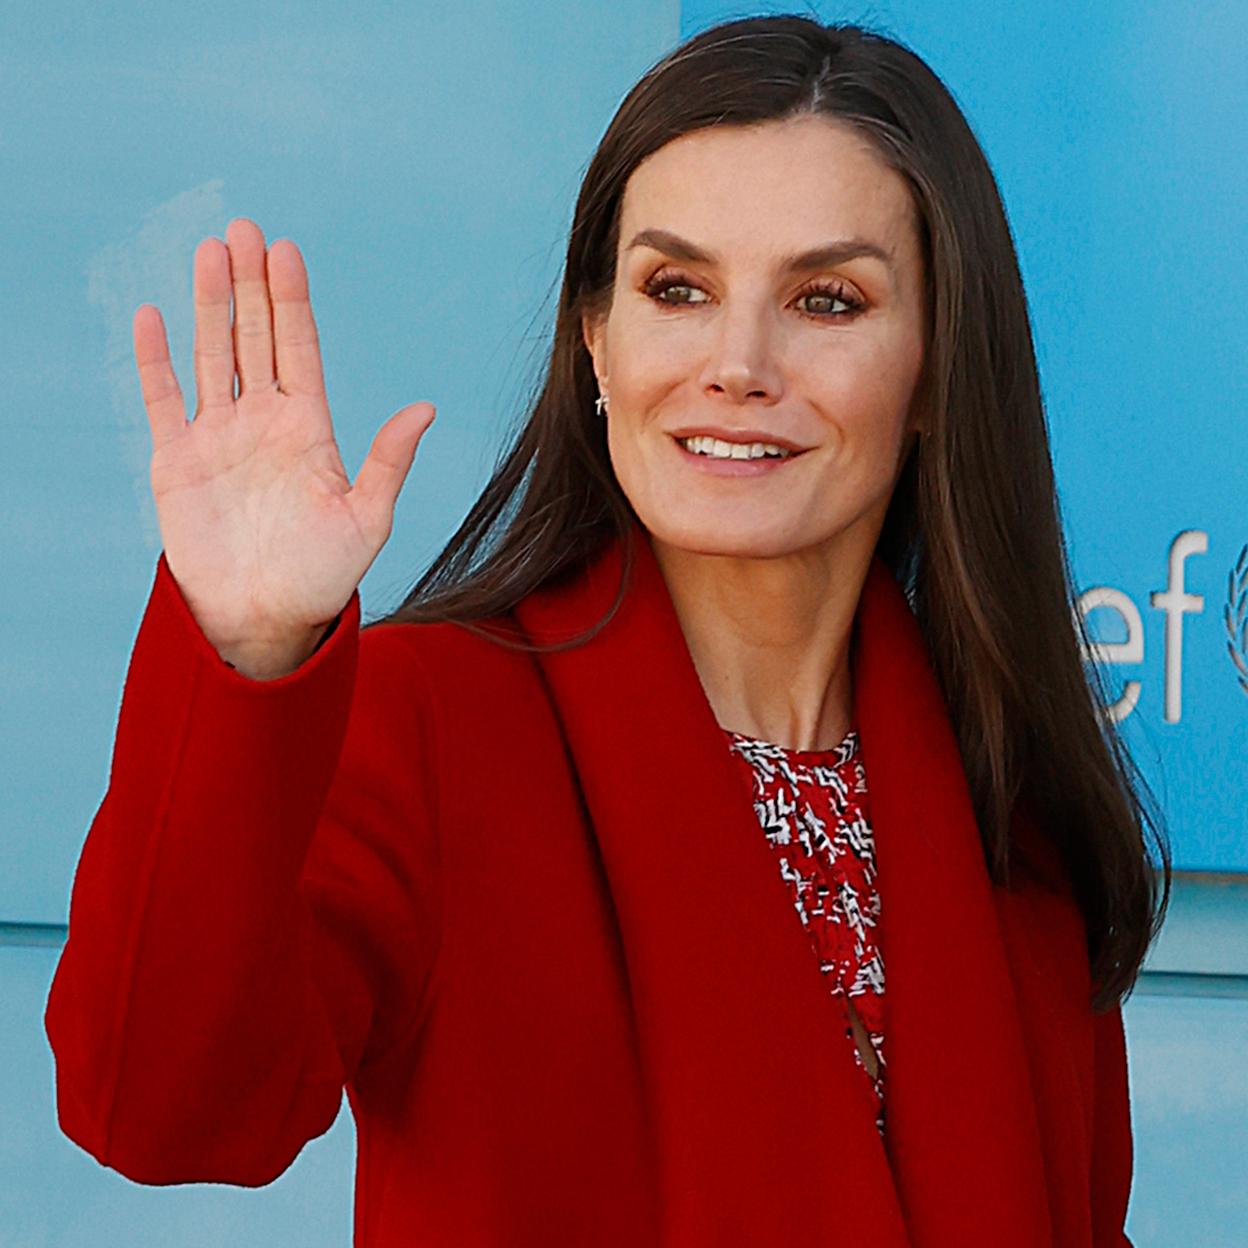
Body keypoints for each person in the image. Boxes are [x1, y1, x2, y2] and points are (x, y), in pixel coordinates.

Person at [45, 14, 1170, 1246]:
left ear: (936, 366)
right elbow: (161, 1112)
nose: (738, 363)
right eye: (676, 288)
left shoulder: (1014, 807)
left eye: (828, 300)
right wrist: (247, 646)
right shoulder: (429, 717)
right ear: (596, 335)